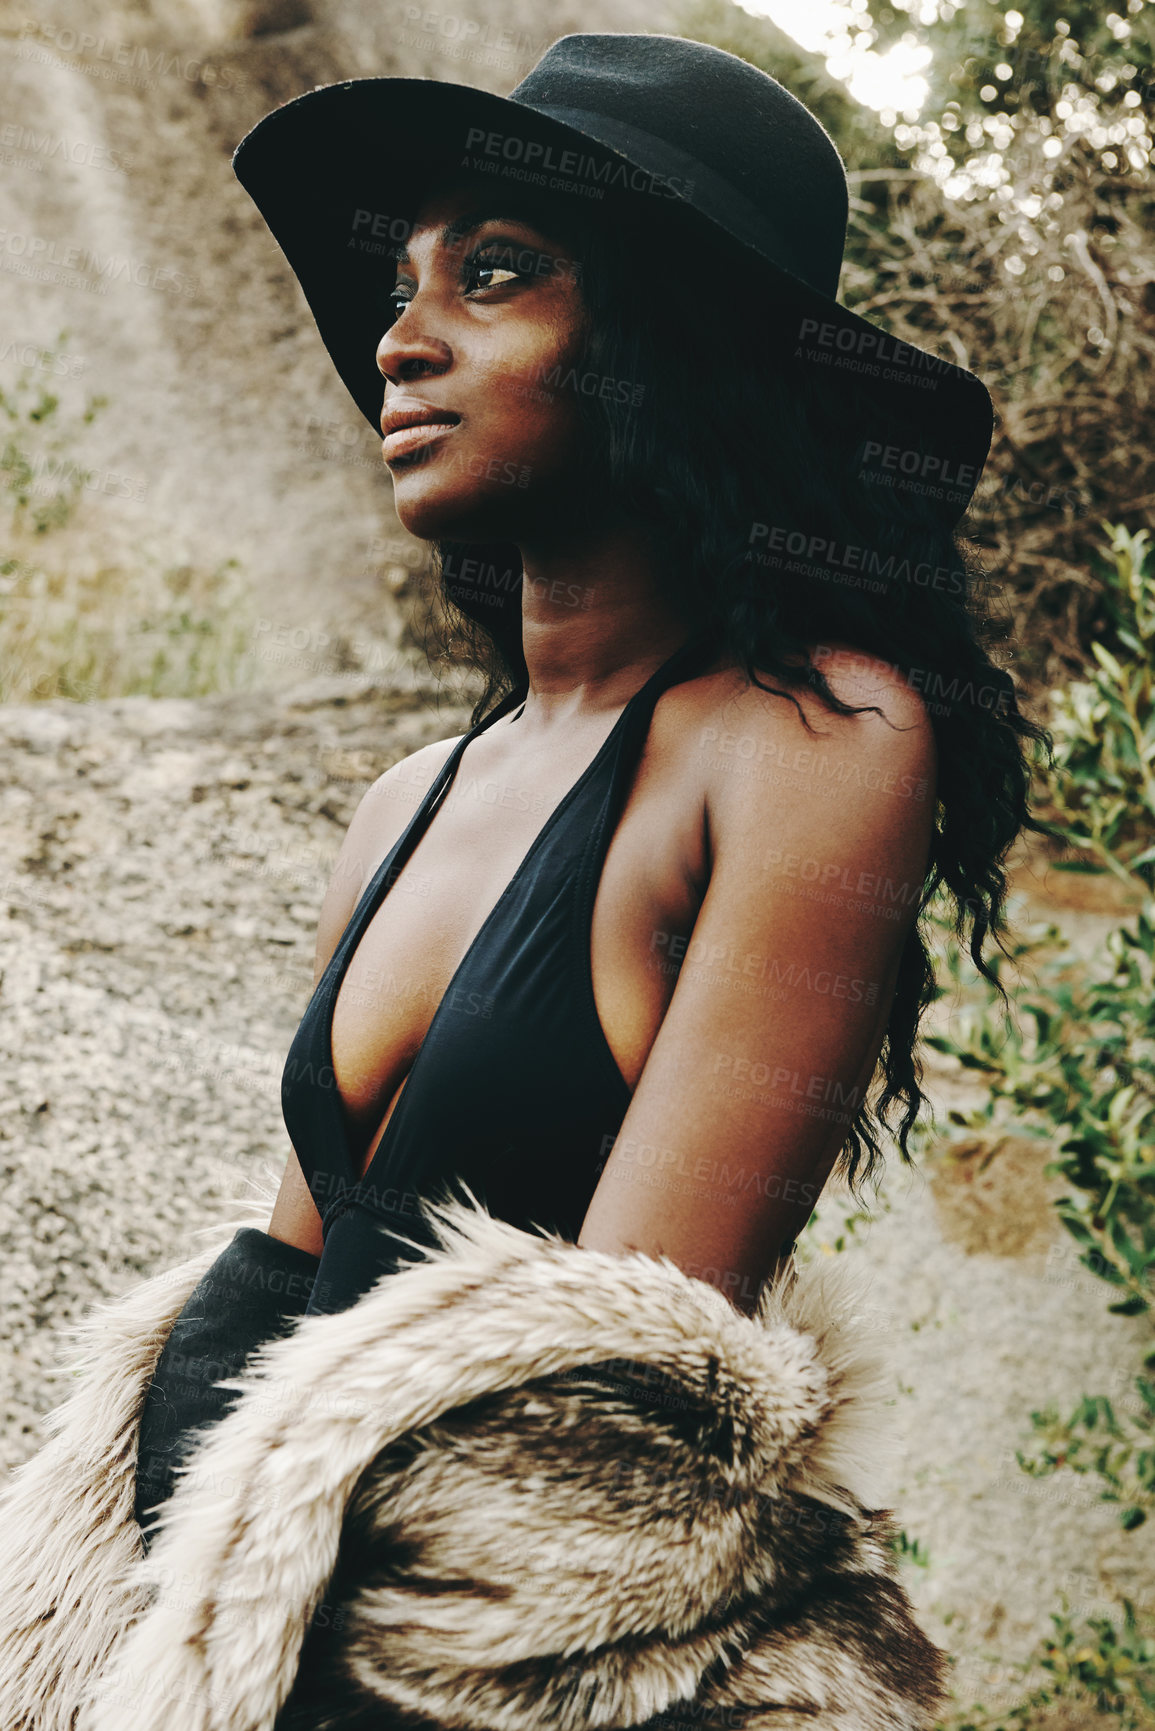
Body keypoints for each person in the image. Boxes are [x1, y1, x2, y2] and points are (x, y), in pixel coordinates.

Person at [132, 31, 1051, 1552]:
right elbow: (281, 1281)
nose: (398, 340)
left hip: (497, 1650)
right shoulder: (410, 800)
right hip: (216, 1614)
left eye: (491, 273)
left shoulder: (806, 740)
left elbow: (622, 1387)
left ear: (668, 341)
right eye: (399, 286)